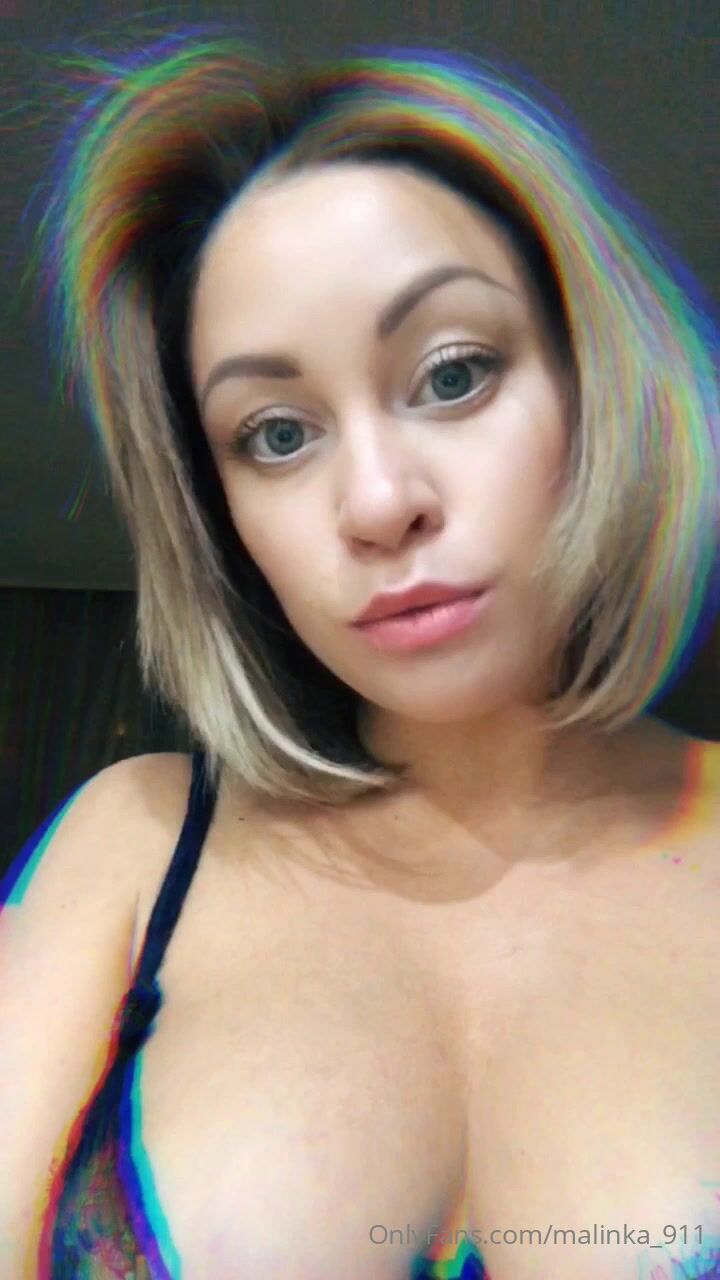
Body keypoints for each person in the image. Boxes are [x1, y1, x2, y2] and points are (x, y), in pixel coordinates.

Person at [2, 25, 719, 1280]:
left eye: (453, 373)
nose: (379, 502)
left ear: (592, 383)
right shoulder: (133, 847)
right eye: (277, 434)